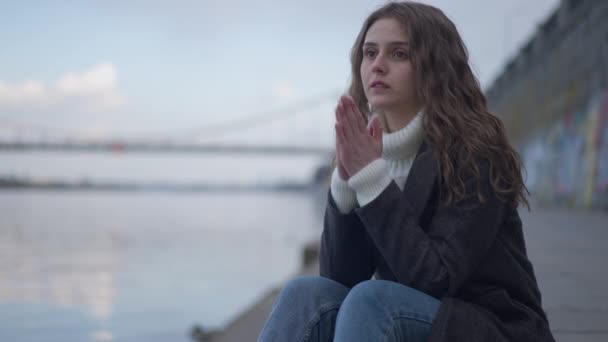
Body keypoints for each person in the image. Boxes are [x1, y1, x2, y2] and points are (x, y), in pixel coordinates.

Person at [258, 1, 555, 341]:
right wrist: (345, 182)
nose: (377, 66)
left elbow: (435, 279)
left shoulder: (476, 152)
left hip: (487, 327)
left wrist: (370, 179)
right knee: (305, 294)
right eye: (370, 53)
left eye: (398, 54)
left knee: (371, 300)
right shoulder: (369, 153)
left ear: (434, 66)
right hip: (405, 319)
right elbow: (340, 280)